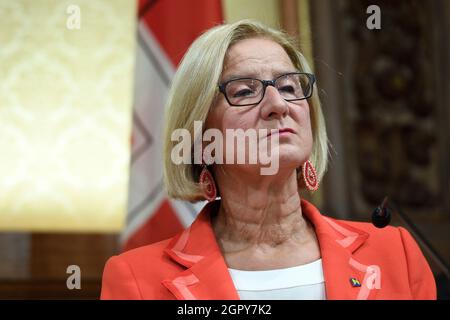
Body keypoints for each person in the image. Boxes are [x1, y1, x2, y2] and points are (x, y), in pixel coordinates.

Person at [101, 20, 436, 300]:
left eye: (290, 87)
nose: (278, 104)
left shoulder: (395, 254)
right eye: (245, 91)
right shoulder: (137, 280)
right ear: (202, 135)